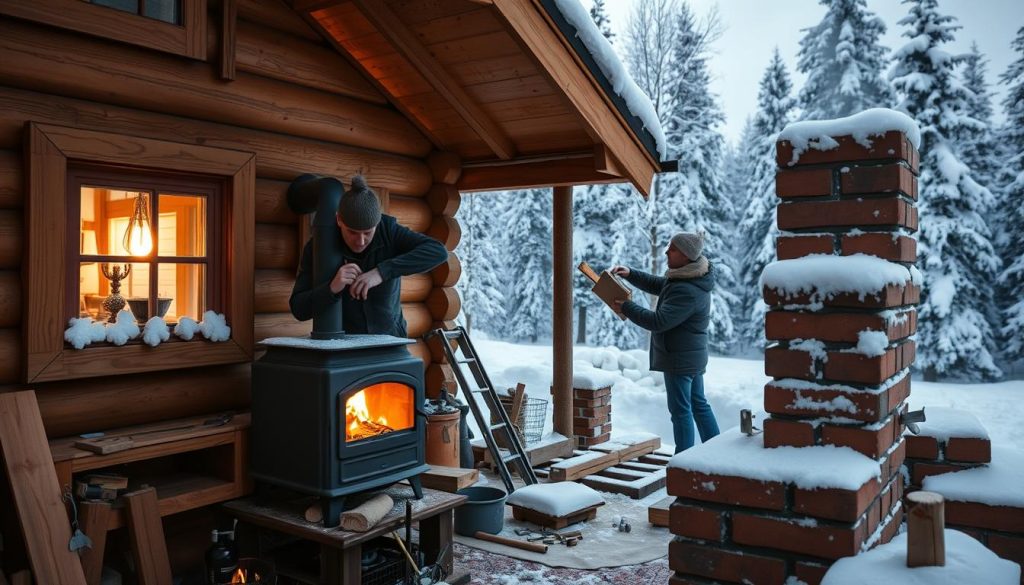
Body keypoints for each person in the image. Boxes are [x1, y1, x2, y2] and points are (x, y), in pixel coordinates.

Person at [289, 175, 448, 337]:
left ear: (377, 224)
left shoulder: (388, 230)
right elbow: (298, 309)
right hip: (348, 349)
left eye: (368, 232)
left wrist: (381, 272)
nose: (360, 241)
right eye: (352, 232)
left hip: (392, 343)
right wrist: (332, 288)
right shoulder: (319, 246)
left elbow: (438, 252)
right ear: (339, 220)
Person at [612, 231, 720, 453]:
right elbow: (662, 285)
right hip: (690, 355)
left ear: (686, 256)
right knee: (698, 404)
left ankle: (683, 461)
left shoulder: (687, 290)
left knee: (681, 411)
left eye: (672, 248)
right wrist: (631, 274)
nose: (666, 251)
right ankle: (717, 454)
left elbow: (658, 321)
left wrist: (626, 306)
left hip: (680, 359)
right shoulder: (690, 277)